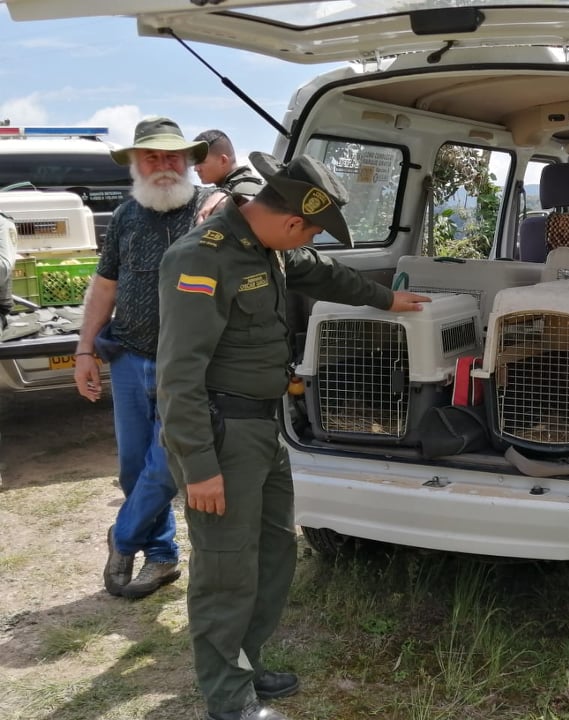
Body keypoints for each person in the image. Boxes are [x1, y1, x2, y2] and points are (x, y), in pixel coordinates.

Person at [156, 151, 430, 720]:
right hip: (221, 433)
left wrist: (388, 299)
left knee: (274, 550)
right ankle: (227, 696)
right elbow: (178, 375)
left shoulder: (267, 249)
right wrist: (199, 465)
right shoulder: (202, 259)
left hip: (263, 427)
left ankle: (247, 665)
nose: (305, 244)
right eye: (306, 232)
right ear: (289, 221)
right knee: (226, 566)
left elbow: (323, 273)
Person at [73, 116, 214, 600]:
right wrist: (84, 349)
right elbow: (106, 286)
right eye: (152, 156)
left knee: (168, 461)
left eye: (173, 156)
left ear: (190, 161)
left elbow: (253, 194)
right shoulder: (125, 217)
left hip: (190, 365)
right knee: (134, 467)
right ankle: (160, 558)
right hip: (129, 359)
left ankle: (124, 537)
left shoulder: (212, 210)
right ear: (135, 163)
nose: (164, 166)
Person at [193, 129, 265, 199]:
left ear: (223, 160)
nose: (196, 169)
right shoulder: (227, 190)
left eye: (201, 162)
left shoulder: (242, 193)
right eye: (195, 163)